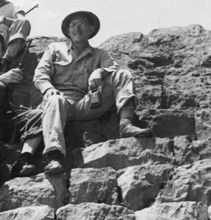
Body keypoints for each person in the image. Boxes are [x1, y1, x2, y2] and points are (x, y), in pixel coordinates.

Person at [19, 10, 148, 175]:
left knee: (123, 75)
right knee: (56, 100)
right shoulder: (54, 49)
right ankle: (54, 157)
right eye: (73, 25)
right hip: (58, 103)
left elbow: (114, 69)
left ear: (91, 29)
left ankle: (125, 125)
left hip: (86, 103)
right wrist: (50, 90)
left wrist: (100, 72)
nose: (76, 29)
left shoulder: (100, 54)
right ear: (67, 30)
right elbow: (40, 76)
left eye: (81, 24)